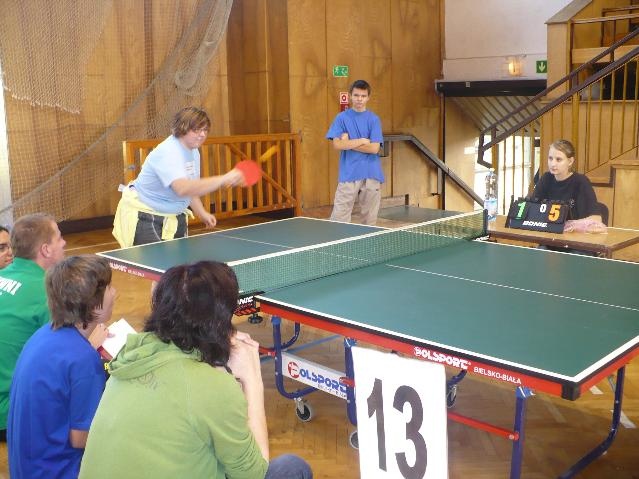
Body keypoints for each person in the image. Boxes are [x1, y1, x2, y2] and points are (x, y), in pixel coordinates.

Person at [79, 261, 312, 479]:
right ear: (221, 318)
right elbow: (253, 473)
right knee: (293, 467)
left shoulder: (133, 355)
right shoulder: (213, 388)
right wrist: (252, 380)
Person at [7, 255, 113, 478]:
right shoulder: (83, 360)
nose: (115, 293)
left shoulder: (43, 334)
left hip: (27, 469)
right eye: (109, 288)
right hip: (59, 472)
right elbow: (81, 438)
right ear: (94, 304)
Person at [112, 107, 245, 248]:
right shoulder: (168, 152)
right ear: (182, 128)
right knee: (155, 261)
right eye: (196, 130)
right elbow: (182, 188)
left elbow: (191, 188)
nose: (202, 134)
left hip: (174, 214)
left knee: (180, 260)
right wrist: (224, 179)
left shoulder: (193, 151)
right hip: (146, 215)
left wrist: (202, 213)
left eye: (205, 130)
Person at [0, 213, 66, 442]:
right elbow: (65, 356)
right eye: (59, 237)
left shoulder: (3, 275)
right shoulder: (48, 293)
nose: (64, 243)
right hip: (10, 412)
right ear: (46, 250)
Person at [326, 79, 384, 225]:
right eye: (356, 95)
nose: (359, 99)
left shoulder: (374, 119)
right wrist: (362, 140)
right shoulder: (341, 118)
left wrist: (348, 143)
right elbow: (337, 145)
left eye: (363, 96)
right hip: (349, 173)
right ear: (350, 96)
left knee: (369, 222)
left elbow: (374, 148)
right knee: (339, 219)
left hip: (371, 173)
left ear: (368, 97)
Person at [531, 139, 602, 222]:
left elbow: (596, 218)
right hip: (549, 228)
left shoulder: (581, 181)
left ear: (570, 161)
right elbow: (531, 207)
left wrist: (568, 225)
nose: (553, 164)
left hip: (574, 229)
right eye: (550, 158)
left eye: (558, 159)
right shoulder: (546, 178)